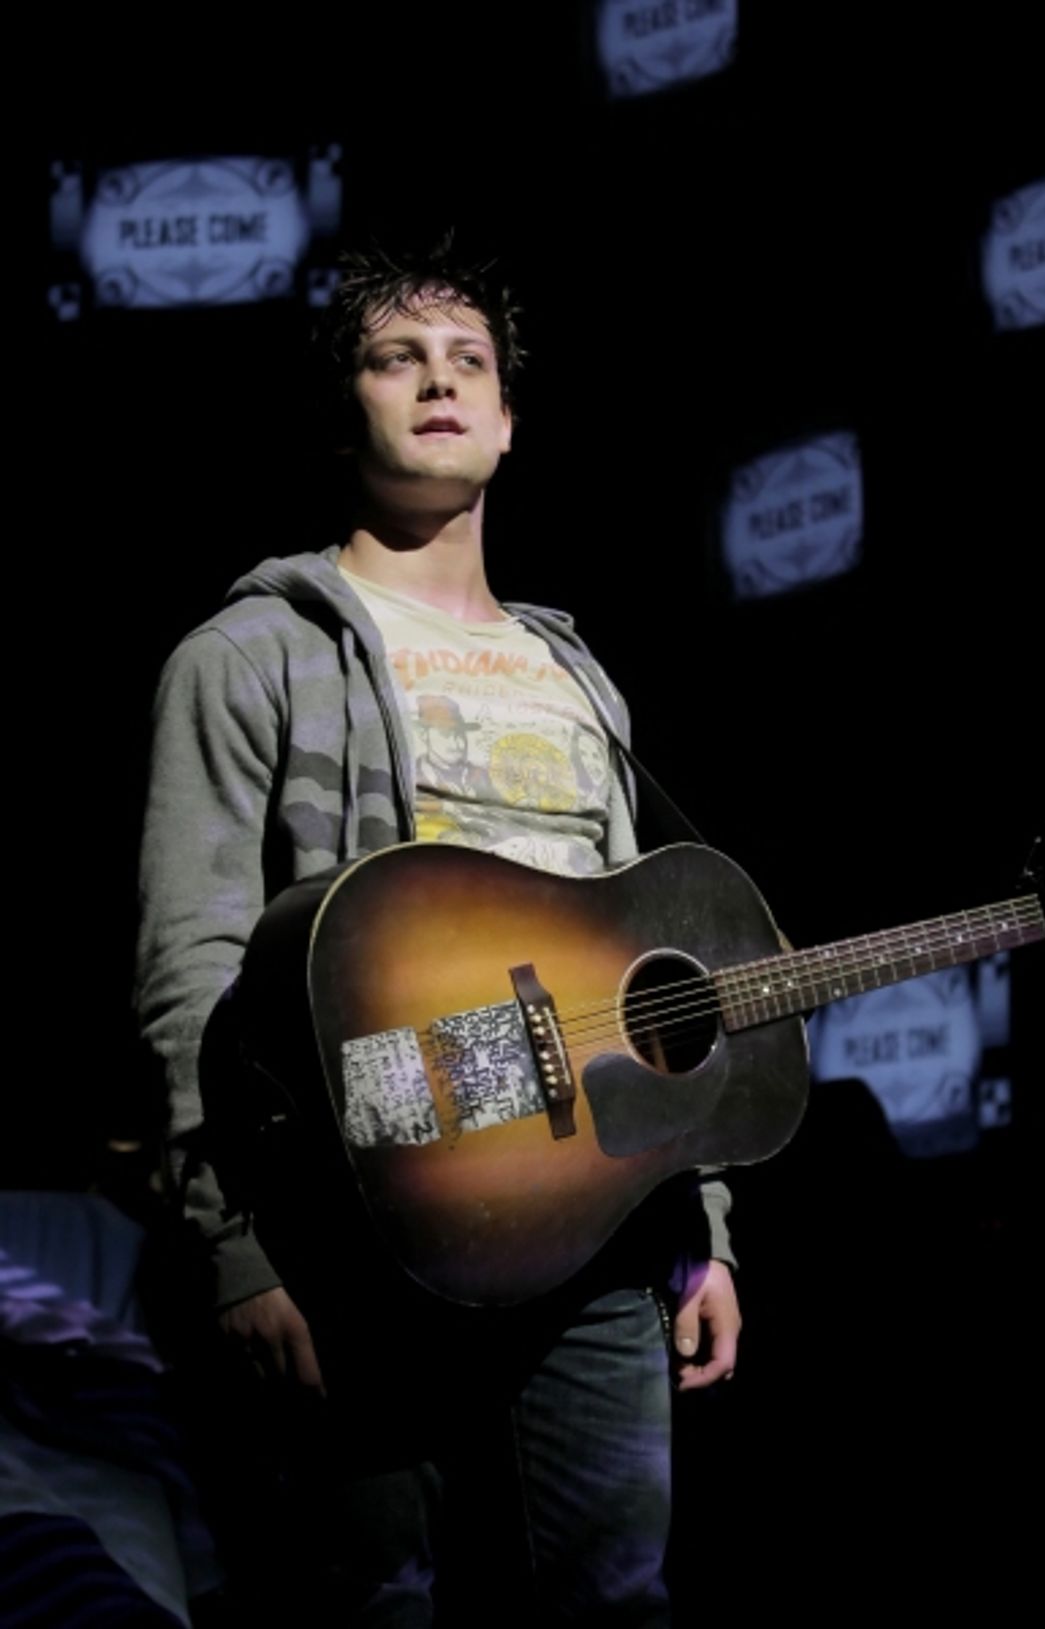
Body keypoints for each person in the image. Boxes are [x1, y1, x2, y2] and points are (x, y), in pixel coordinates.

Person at [135, 236, 740, 1624]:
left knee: (617, 1606)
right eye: (395, 358)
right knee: (369, 1610)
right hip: (356, 1231)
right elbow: (191, 968)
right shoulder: (250, 655)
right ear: (342, 407)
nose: (438, 382)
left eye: (469, 361)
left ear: (510, 422)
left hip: (596, 1234)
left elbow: (649, 960)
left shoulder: (577, 680)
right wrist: (234, 1247)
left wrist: (698, 1223)